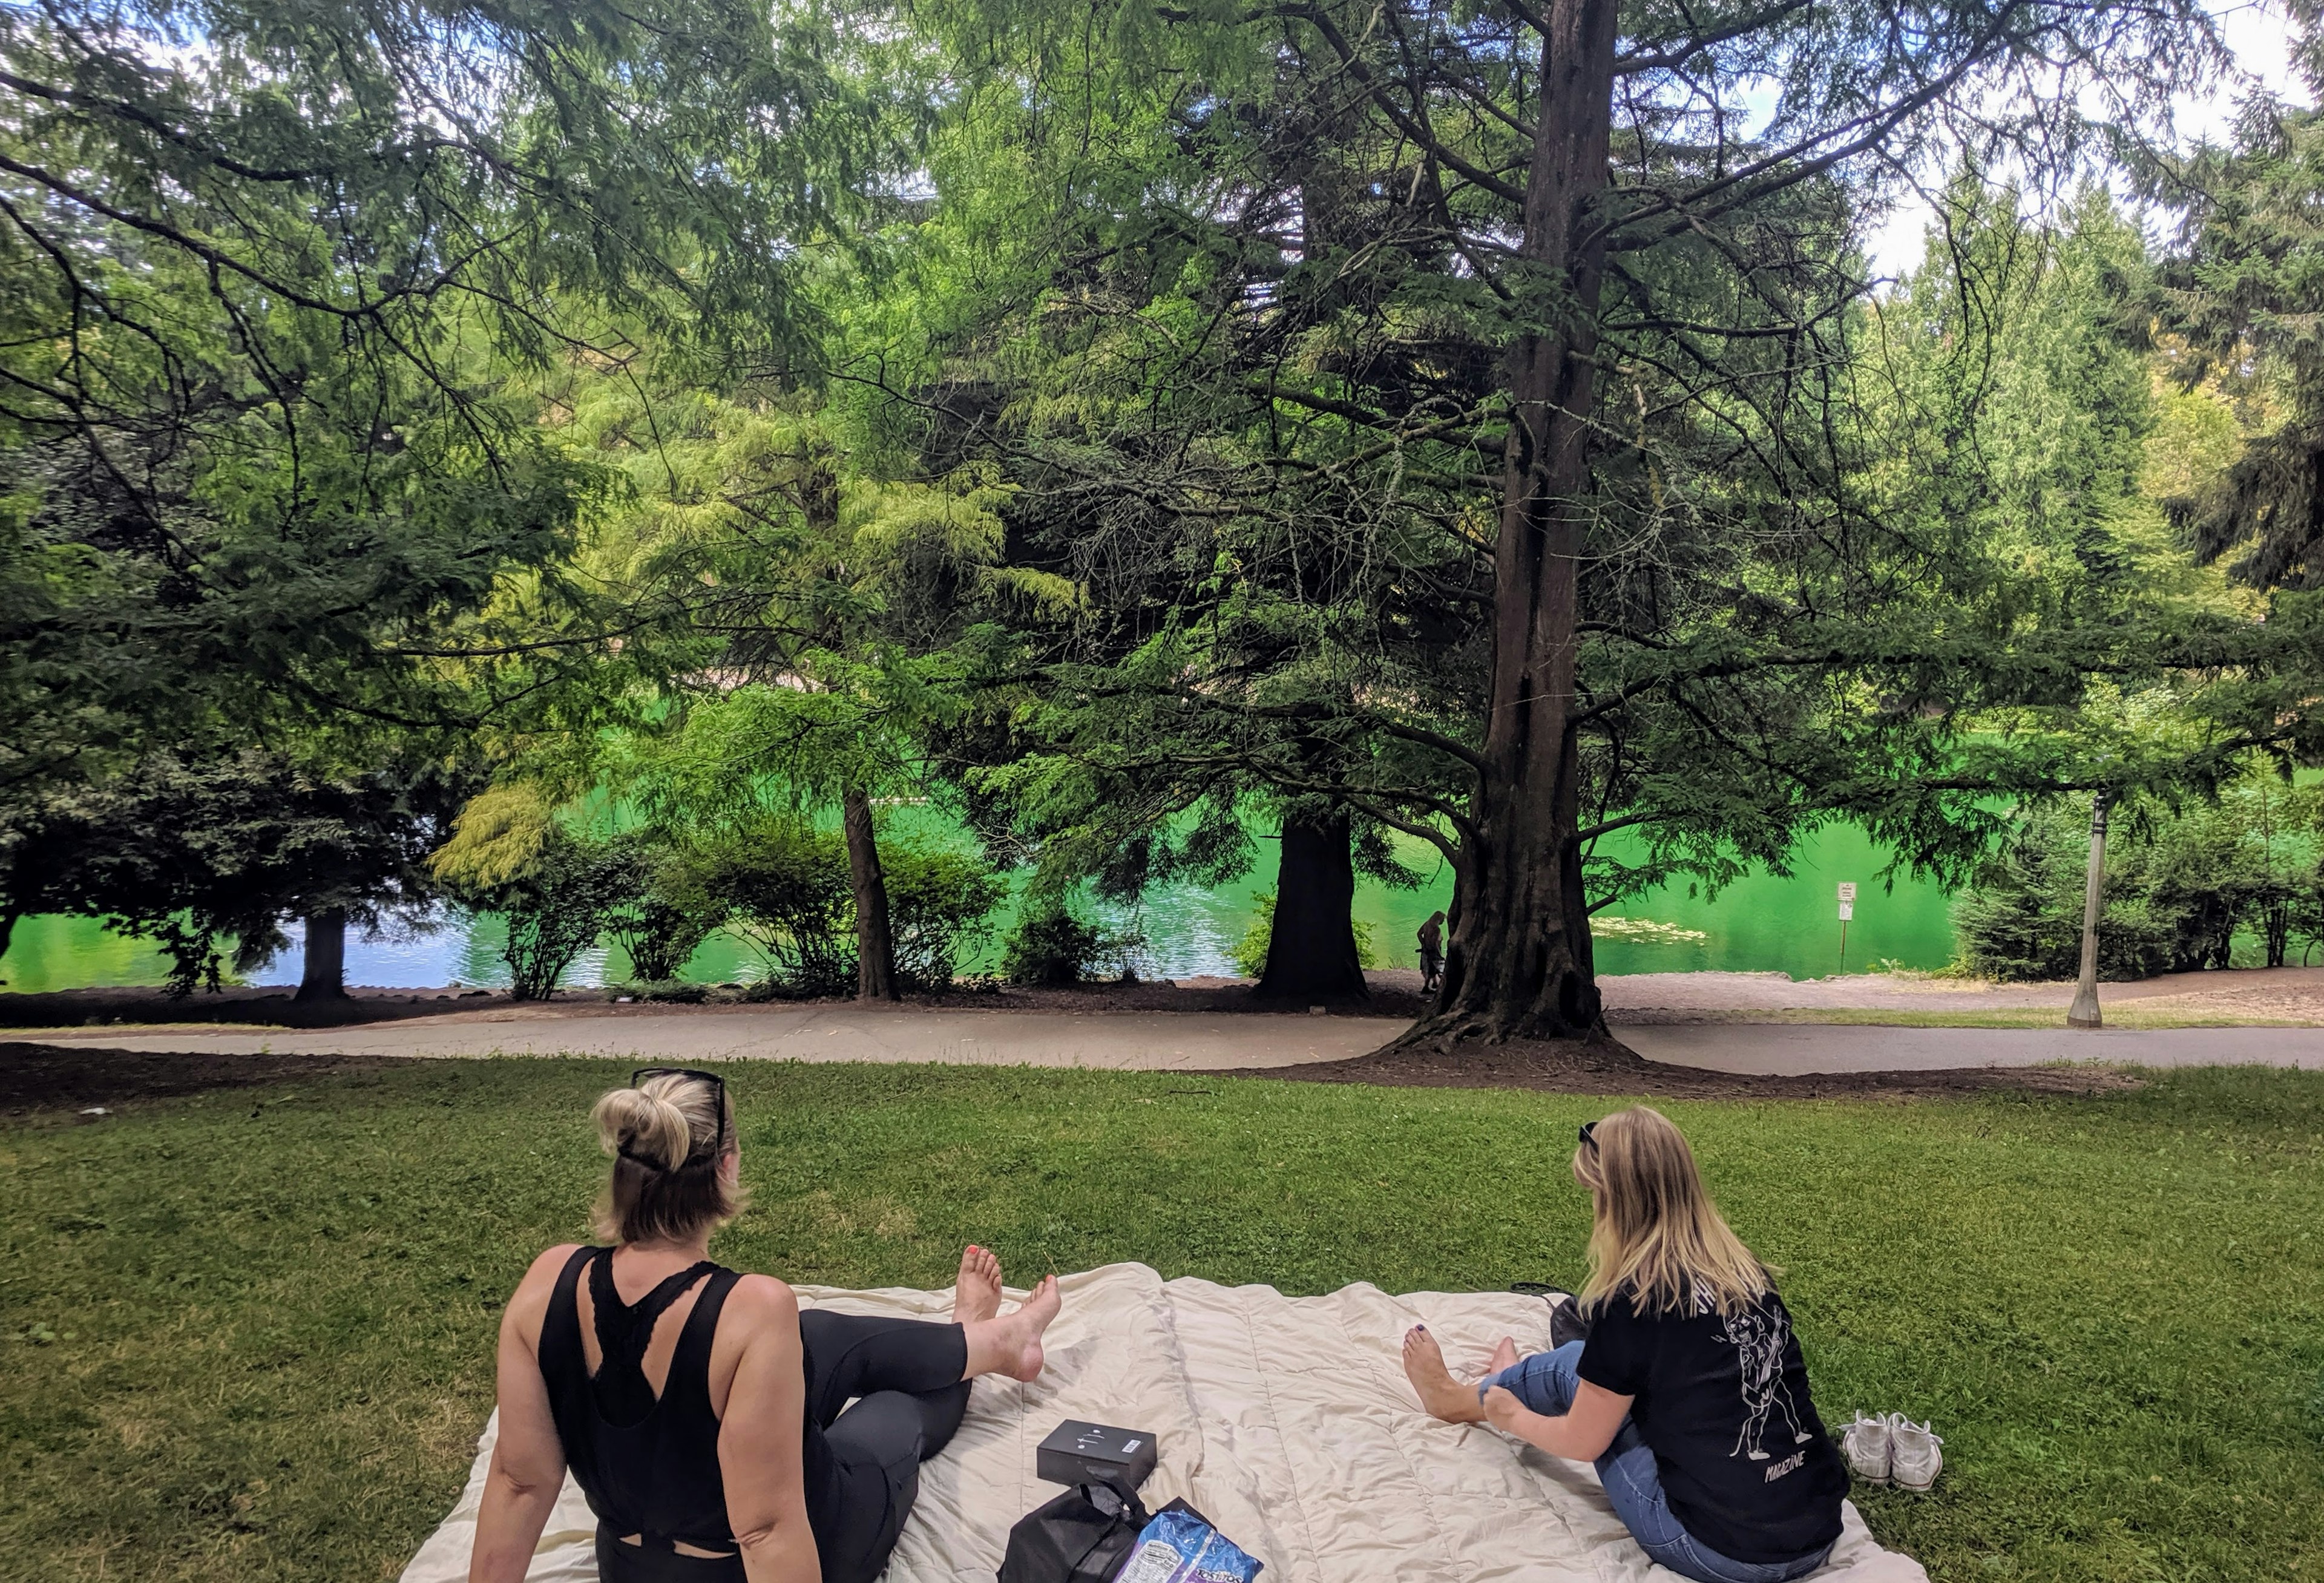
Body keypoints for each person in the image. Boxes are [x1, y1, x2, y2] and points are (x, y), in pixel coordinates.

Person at [469, 1067, 1062, 1583]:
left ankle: (990, 1341)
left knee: (823, 1334)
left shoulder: (546, 1282)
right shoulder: (753, 1309)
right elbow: (767, 1531)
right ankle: (979, 1337)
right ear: (727, 1167)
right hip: (806, 1546)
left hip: (632, 1567)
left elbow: (521, 1484)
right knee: (896, 1409)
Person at [1399, 1107, 1845, 1583]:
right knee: (1590, 1370)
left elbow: (1583, 1441)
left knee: (1570, 1368)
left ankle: (1457, 1398)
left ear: (1614, 1202)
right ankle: (1506, 1381)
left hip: (1720, 1553)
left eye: (1592, 1194)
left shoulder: (1634, 1300)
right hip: (1816, 1531)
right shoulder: (1744, 1271)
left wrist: (1513, 1417)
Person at [1416, 911, 1446, 992]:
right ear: (1439, 919)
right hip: (1434, 952)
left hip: (1426, 951)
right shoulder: (1437, 929)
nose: (1443, 922)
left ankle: (1435, 984)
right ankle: (1426, 987)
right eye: (1443, 920)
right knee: (1438, 968)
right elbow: (1435, 943)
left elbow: (1419, 934)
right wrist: (1440, 955)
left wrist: (1423, 943)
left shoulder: (1427, 924)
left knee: (1430, 967)